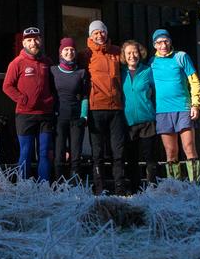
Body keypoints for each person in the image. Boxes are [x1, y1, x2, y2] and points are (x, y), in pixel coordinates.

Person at [2, 26, 56, 182]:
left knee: (44, 152)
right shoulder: (17, 63)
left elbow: (53, 85)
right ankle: (24, 188)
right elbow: (7, 86)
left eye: (36, 39)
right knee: (26, 152)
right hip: (25, 115)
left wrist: (51, 100)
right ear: (24, 42)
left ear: (41, 40)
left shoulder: (47, 62)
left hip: (45, 114)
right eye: (30, 40)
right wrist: (23, 99)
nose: (34, 43)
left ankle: (44, 187)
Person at [149, 28, 200, 182]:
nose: (163, 45)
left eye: (165, 41)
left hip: (184, 108)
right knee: (171, 152)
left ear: (170, 42)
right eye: (159, 42)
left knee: (189, 147)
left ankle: (196, 186)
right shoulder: (152, 63)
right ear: (155, 45)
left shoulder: (181, 57)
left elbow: (194, 82)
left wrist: (196, 104)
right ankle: (175, 187)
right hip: (162, 112)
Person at [84, 20, 128, 195]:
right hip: (96, 108)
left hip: (116, 107)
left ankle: (120, 187)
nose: (99, 35)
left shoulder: (117, 52)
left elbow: (133, 62)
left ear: (106, 33)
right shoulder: (85, 55)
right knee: (98, 152)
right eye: (95, 33)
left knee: (118, 151)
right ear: (90, 36)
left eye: (101, 32)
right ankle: (99, 187)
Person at [120, 40, 158, 188]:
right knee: (132, 158)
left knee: (150, 157)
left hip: (147, 119)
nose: (132, 56)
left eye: (135, 52)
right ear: (124, 55)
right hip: (128, 121)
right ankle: (135, 188)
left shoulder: (148, 71)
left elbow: (156, 92)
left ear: (140, 53)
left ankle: (153, 187)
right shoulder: (121, 73)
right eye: (128, 53)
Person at [50, 37, 88, 177]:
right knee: (59, 154)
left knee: (76, 155)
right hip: (59, 118)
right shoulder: (53, 71)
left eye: (72, 49)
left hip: (76, 118)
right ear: (61, 52)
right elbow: (50, 94)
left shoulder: (81, 72)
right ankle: (59, 186)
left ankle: (75, 186)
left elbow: (85, 95)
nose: (69, 52)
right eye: (66, 49)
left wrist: (84, 116)